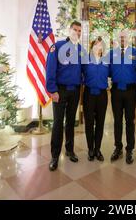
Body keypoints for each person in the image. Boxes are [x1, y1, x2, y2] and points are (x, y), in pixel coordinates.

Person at [46, 20, 84, 171]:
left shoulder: (81, 49)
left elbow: (83, 70)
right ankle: (55, 156)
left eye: (80, 31)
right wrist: (52, 90)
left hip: (75, 91)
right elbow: (50, 69)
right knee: (57, 123)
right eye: (75, 30)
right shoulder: (58, 46)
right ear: (70, 30)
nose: (77, 33)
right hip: (60, 91)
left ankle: (69, 150)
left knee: (70, 122)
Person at [109, 30, 136, 164]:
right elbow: (108, 71)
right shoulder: (112, 53)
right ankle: (118, 148)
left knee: (130, 121)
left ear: (129, 39)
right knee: (117, 121)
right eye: (120, 37)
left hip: (130, 92)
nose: (123, 39)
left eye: (125, 37)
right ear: (118, 38)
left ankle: (130, 150)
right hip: (116, 91)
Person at [82, 37, 109, 161]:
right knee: (89, 122)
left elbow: (113, 74)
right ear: (92, 46)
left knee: (100, 123)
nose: (98, 47)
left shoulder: (106, 61)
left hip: (102, 95)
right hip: (89, 94)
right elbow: (80, 74)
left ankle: (98, 149)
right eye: (96, 45)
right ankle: (90, 149)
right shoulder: (85, 60)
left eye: (100, 45)